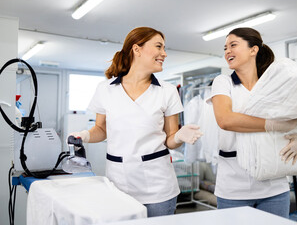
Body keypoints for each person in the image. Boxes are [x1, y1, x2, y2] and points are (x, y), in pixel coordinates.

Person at [69, 27, 202, 217]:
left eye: (164, 48)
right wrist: (85, 135)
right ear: (137, 49)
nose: (164, 54)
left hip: (158, 186)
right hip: (118, 183)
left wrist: (179, 136)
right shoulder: (105, 89)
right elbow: (101, 129)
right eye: (158, 46)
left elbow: (170, 139)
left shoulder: (167, 91)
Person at [208, 27, 297, 218]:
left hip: (274, 187)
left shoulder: (275, 86)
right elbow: (225, 120)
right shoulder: (223, 82)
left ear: (254, 50)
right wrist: (273, 125)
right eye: (225, 47)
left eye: (233, 45)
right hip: (233, 188)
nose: (227, 51)